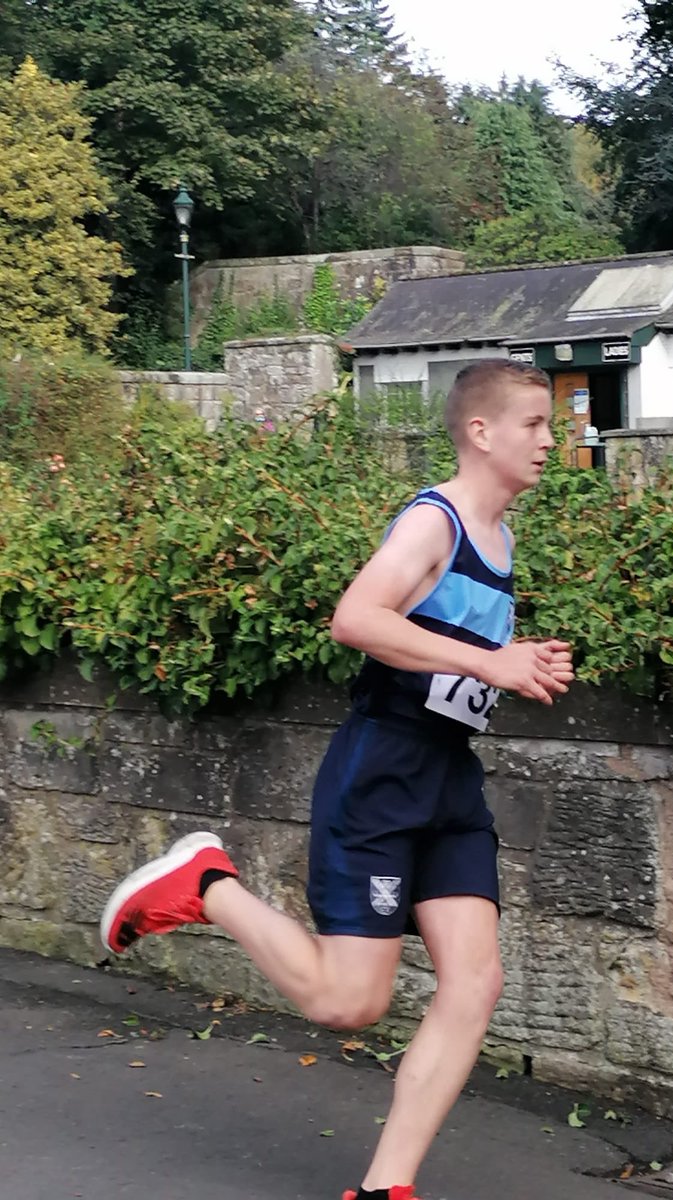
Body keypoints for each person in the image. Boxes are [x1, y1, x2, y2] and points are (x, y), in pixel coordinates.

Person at [100, 359, 574, 1200]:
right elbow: (355, 618)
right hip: (382, 774)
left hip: (450, 782)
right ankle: (206, 883)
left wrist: (514, 662)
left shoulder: (501, 538)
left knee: (476, 983)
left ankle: (387, 1188)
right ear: (480, 432)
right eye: (534, 423)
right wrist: (489, 662)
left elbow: (449, 656)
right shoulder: (434, 522)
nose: (549, 439)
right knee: (348, 1006)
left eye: (548, 425)